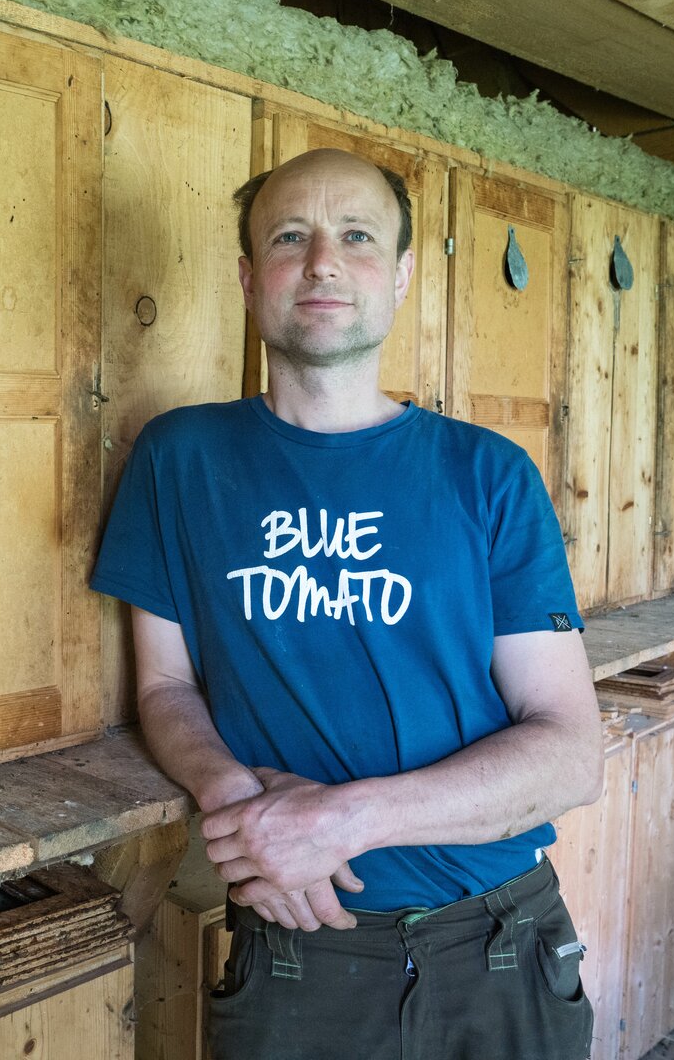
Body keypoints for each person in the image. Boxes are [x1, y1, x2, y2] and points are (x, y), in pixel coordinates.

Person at [91, 147, 604, 1060]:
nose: (323, 260)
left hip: (499, 939)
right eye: (291, 236)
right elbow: (165, 688)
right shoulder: (179, 460)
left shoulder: (487, 474)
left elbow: (569, 754)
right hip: (298, 949)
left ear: (401, 276)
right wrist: (243, 809)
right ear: (251, 279)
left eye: (357, 236)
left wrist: (335, 822)